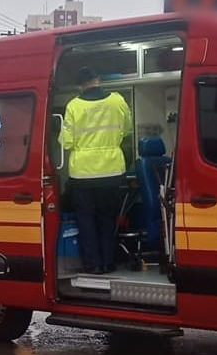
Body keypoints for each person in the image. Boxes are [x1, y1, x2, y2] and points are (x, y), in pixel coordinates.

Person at [59, 66, 133, 275]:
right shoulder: (117, 101)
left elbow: (67, 141)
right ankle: (108, 262)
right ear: (98, 78)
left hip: (82, 174)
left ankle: (93, 264)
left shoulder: (73, 106)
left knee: (86, 220)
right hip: (111, 170)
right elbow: (127, 129)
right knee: (107, 218)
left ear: (79, 85)